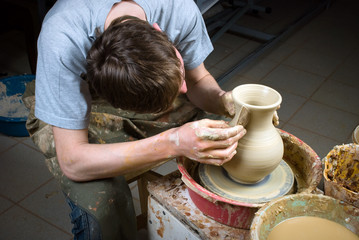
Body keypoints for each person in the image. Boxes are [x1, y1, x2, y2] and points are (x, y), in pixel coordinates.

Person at [23, 0, 249, 239]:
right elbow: (73, 161)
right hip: (72, 103)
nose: (183, 87)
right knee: (103, 202)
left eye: (180, 71)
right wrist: (173, 143)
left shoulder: (177, 7)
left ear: (159, 31)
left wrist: (223, 99)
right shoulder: (60, 38)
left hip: (134, 85)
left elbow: (195, 82)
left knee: (232, 131)